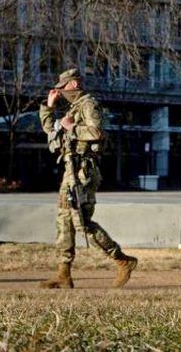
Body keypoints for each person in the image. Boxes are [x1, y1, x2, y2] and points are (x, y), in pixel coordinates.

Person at [39, 68, 137, 289]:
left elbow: (97, 133)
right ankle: (63, 273)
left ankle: (122, 260)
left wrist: (72, 127)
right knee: (64, 222)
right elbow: (50, 131)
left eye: (63, 88)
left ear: (73, 85)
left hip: (83, 171)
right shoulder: (73, 107)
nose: (61, 91)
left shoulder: (88, 104)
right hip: (70, 171)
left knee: (81, 223)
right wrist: (48, 106)